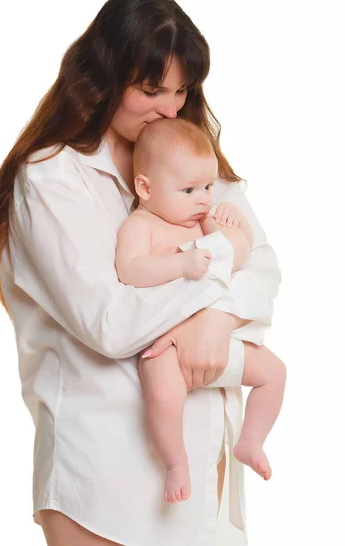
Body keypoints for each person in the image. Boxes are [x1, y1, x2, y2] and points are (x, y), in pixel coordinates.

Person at [0, 0, 282, 546]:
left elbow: (263, 270)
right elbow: (111, 322)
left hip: (205, 482)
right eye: (150, 88)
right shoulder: (51, 179)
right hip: (101, 487)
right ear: (102, 77)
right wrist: (217, 263)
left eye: (181, 92)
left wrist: (217, 320)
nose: (169, 107)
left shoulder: (192, 159)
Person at [115, 117, 286, 504]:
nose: (203, 199)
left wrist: (234, 224)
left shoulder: (200, 222)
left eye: (208, 187)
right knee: (163, 392)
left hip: (214, 341)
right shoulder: (142, 225)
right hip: (168, 346)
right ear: (145, 188)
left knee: (274, 373)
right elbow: (130, 269)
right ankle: (176, 462)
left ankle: (251, 441)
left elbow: (243, 252)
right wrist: (179, 265)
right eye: (189, 189)